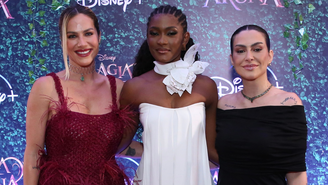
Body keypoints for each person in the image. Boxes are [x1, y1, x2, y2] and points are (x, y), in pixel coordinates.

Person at [23, 4, 134, 185]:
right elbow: (33, 154)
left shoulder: (119, 89)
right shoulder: (46, 87)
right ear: (63, 42)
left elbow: (123, 146)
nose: (82, 43)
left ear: (99, 36)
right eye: (72, 36)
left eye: (88, 33)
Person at [119, 5, 219, 185]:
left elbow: (211, 151)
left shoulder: (206, 87)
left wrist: (255, 169)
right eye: (155, 33)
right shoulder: (134, 88)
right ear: (147, 37)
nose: (162, 41)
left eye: (171, 33)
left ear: (184, 38)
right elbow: (119, 144)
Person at [215, 24, 308, 185]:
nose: (249, 57)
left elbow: (297, 174)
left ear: (270, 56)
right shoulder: (223, 105)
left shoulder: (289, 103)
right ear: (232, 59)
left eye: (257, 49)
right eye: (241, 51)